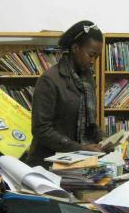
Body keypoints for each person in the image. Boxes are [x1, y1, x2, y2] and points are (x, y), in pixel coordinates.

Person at [26, 20, 104, 167]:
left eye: (97, 57)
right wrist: (79, 148)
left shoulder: (88, 80)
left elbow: (89, 123)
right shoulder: (49, 80)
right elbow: (41, 130)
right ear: (75, 48)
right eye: (91, 55)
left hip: (78, 162)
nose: (94, 61)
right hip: (48, 164)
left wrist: (105, 140)